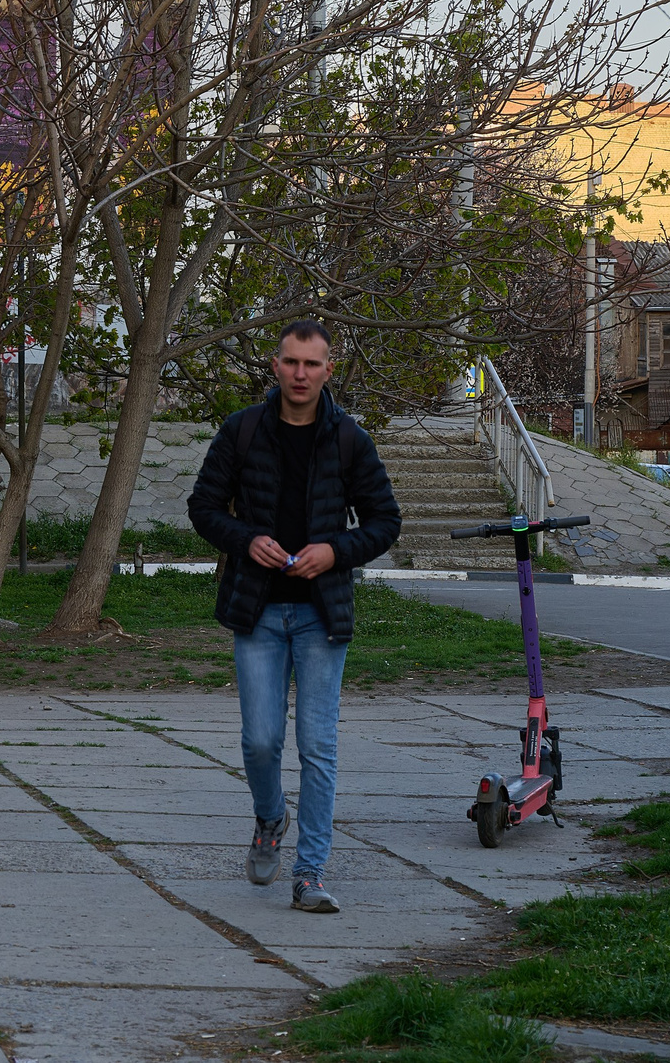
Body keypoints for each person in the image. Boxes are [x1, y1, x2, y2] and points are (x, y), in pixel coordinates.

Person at [188, 321, 403, 915]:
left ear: (329, 369)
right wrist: (244, 539)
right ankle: (268, 818)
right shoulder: (244, 430)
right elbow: (203, 507)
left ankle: (310, 873)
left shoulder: (349, 441)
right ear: (275, 366)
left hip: (320, 617)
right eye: (290, 363)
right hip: (256, 611)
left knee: (318, 746)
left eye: (312, 364)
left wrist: (336, 551)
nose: (300, 374)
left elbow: (386, 521)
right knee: (260, 741)